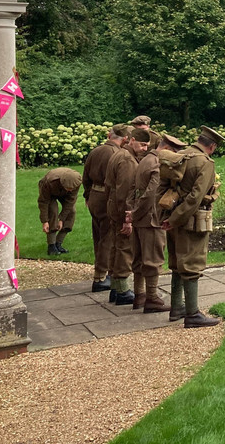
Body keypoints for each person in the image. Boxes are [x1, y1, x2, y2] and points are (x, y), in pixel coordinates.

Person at [165, 126, 225, 328]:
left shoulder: (180, 155)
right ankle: (192, 314)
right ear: (213, 146)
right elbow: (195, 198)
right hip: (192, 220)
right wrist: (177, 218)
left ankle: (176, 307)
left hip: (172, 217)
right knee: (192, 264)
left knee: (176, 262)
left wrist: (170, 217)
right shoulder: (205, 162)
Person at [128, 132, 186, 312]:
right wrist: (137, 213)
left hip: (140, 218)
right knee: (153, 259)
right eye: (173, 152)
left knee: (138, 259)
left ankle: (139, 295)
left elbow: (135, 189)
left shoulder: (145, 159)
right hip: (151, 218)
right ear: (167, 149)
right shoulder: (157, 163)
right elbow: (150, 194)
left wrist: (132, 213)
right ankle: (151, 298)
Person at [81, 123, 131, 292]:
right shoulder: (117, 154)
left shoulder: (95, 151)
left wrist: (87, 195)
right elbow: (116, 181)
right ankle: (101, 276)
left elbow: (85, 176)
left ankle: (102, 273)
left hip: (94, 196)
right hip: (106, 197)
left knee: (98, 236)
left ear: (110, 135)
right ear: (124, 139)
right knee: (108, 239)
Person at [105, 128, 147, 306]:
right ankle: (122, 290)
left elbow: (110, 186)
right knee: (125, 248)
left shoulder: (119, 154)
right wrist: (127, 218)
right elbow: (126, 191)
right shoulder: (128, 160)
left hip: (113, 206)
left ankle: (115, 288)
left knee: (116, 246)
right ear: (132, 140)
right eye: (142, 144)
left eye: (147, 146)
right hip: (121, 209)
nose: (145, 148)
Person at [37, 167, 82, 255]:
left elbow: (70, 202)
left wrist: (61, 219)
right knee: (53, 211)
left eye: (71, 188)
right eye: (68, 188)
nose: (70, 190)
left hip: (64, 194)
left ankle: (58, 243)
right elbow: (43, 202)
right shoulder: (49, 182)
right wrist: (45, 221)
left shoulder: (76, 182)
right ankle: (51, 246)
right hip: (49, 192)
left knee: (71, 211)